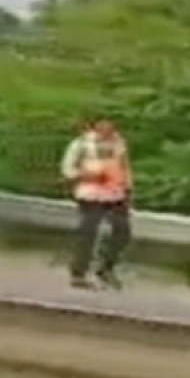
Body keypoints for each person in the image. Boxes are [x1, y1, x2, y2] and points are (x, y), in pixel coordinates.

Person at [60, 118, 133, 289]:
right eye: (103, 127)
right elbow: (67, 169)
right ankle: (79, 272)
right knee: (88, 232)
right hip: (91, 193)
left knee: (122, 231)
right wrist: (85, 176)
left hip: (115, 193)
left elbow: (124, 166)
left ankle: (106, 267)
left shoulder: (118, 143)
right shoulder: (82, 144)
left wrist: (128, 187)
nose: (108, 130)